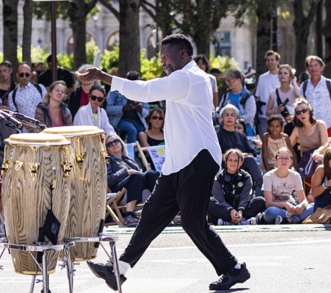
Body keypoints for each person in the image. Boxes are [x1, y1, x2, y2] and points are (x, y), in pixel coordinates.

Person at [79, 34, 250, 291]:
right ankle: (119, 270)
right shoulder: (190, 78)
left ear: (183, 54)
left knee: (193, 223)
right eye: (161, 58)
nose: (163, 63)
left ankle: (234, 269)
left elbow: (145, 91)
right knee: (150, 215)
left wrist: (103, 76)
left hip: (198, 158)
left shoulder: (188, 78)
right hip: (179, 161)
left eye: (166, 57)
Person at [105, 133, 160, 226]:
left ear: (121, 144)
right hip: (120, 189)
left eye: (116, 141)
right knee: (137, 176)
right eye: (110, 144)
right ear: (107, 149)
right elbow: (108, 180)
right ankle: (129, 215)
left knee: (152, 174)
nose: (114, 144)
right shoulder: (108, 161)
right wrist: (126, 172)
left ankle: (161, 210)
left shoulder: (129, 160)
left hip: (137, 187)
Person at [209, 148, 266, 225]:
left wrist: (240, 211)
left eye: (236, 160)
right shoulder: (218, 177)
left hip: (242, 210)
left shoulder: (246, 177)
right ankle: (233, 220)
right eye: (230, 160)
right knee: (209, 202)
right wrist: (231, 210)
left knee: (260, 201)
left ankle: (236, 220)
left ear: (241, 163)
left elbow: (246, 197)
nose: (233, 162)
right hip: (225, 210)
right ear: (225, 162)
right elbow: (219, 199)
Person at [262, 147, 314, 224]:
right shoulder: (268, 176)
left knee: (314, 206)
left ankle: (289, 220)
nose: (284, 160)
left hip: (292, 207)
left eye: (287, 158)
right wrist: (285, 204)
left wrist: (302, 205)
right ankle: (296, 219)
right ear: (276, 160)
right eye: (281, 158)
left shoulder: (295, 175)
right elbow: (268, 203)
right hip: (277, 208)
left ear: (290, 161)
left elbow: (303, 200)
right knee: (269, 212)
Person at [216, 104, 263, 188]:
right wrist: (237, 157)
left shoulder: (242, 136)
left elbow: (251, 154)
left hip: (241, 165)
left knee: (250, 161)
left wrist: (242, 158)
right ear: (222, 118)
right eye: (226, 115)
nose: (229, 117)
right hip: (226, 166)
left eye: (232, 115)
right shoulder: (217, 135)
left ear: (236, 119)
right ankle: (264, 188)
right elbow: (216, 156)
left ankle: (264, 189)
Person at [289, 98, 330, 183]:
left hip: (320, 156)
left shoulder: (320, 124)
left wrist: (317, 151)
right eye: (298, 112)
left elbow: (325, 144)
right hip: (307, 159)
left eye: (304, 110)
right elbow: (287, 146)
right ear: (296, 115)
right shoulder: (297, 129)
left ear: (310, 109)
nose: (302, 114)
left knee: (319, 160)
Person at [300, 56, 331, 136]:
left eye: (316, 65)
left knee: (329, 149)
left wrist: (330, 116)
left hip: (329, 126)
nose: (313, 68)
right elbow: (301, 106)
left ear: (322, 67)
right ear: (307, 69)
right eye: (310, 66)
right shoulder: (304, 85)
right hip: (309, 127)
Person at [107, 71, 151, 143]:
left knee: (142, 131)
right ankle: (131, 153)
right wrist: (122, 108)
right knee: (132, 130)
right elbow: (108, 109)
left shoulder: (141, 91)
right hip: (120, 120)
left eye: (135, 83)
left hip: (137, 120)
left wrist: (141, 110)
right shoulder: (116, 90)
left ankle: (142, 153)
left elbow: (146, 112)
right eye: (130, 82)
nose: (132, 85)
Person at [265, 64, 301, 135]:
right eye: (280, 73)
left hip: (293, 128)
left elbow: (298, 95)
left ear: (290, 77)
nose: (282, 75)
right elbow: (267, 113)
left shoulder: (295, 90)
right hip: (278, 129)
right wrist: (277, 111)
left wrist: (294, 81)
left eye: (285, 73)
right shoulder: (273, 93)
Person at [254, 50, 282, 136]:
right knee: (264, 143)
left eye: (272, 60)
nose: (270, 62)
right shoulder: (262, 78)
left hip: (280, 116)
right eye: (268, 60)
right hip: (264, 117)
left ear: (277, 61)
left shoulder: (283, 76)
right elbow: (258, 97)